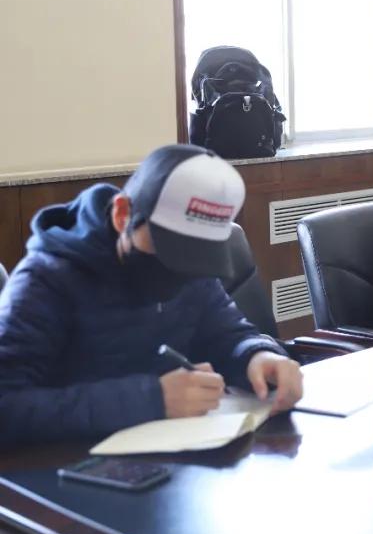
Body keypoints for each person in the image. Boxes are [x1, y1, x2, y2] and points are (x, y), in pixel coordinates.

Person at [0, 145, 303, 447]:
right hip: (67, 464)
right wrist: (151, 399)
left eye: (197, 254)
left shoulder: (195, 272)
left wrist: (258, 356)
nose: (181, 270)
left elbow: (227, 333)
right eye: (172, 249)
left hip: (174, 455)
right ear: (123, 215)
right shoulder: (45, 280)